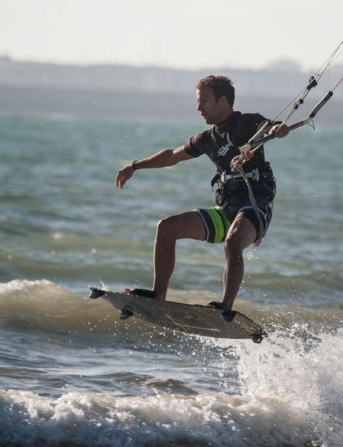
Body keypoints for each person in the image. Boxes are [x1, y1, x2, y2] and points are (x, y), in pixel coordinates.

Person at [115, 75, 289, 311]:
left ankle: (225, 307)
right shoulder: (207, 139)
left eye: (204, 101)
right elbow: (171, 156)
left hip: (255, 204)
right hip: (227, 208)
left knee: (234, 240)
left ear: (223, 101)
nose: (198, 108)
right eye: (198, 102)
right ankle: (158, 296)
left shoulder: (247, 122)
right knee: (166, 228)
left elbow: (266, 127)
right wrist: (134, 166)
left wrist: (276, 128)